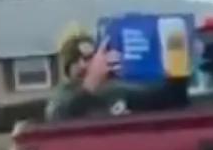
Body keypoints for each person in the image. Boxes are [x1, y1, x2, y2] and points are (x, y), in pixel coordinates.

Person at [45, 25, 189, 121]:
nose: (84, 64)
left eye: (89, 58)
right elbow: (58, 120)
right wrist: (90, 84)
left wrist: (176, 60)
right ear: (67, 68)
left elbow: (169, 101)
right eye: (75, 60)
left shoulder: (116, 88)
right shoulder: (62, 98)